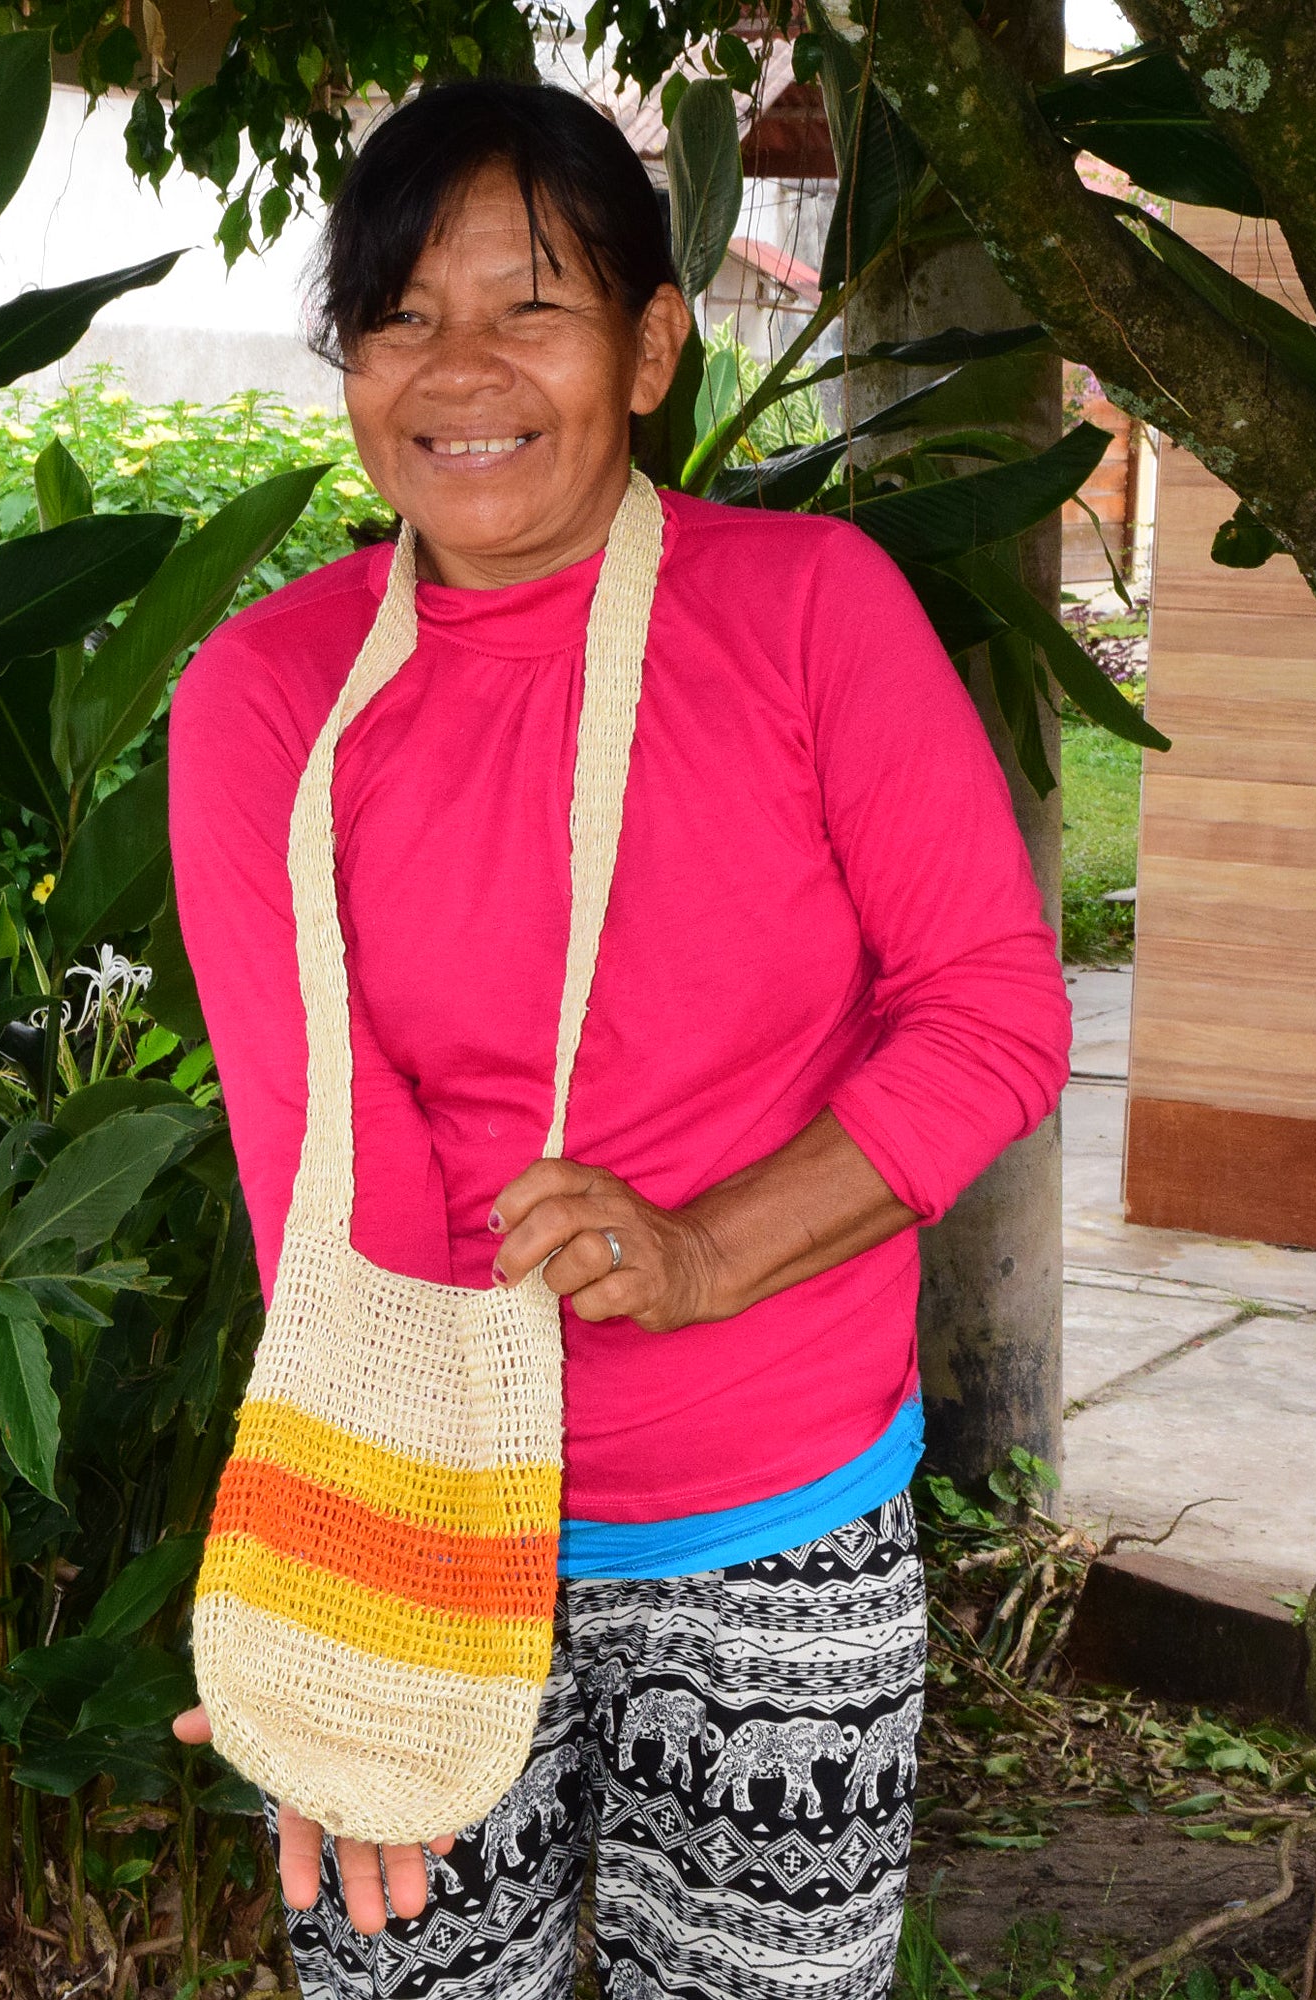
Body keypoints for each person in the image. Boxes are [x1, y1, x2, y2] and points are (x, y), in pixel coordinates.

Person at [167, 78, 1071, 2000]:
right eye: (399, 314)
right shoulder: (265, 699)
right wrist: (365, 1611)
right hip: (421, 1514)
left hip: (776, 1527)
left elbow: (988, 1014)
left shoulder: (814, 613)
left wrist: (703, 1249)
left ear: (654, 346)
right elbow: (320, 1155)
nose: (457, 369)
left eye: (531, 305)